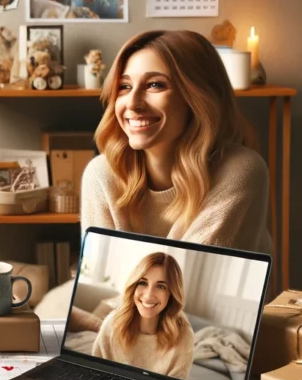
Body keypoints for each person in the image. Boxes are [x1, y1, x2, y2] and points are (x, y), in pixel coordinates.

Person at [81, 30, 273, 254]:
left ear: (198, 97)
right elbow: (99, 281)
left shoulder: (242, 169)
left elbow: (185, 278)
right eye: (124, 87)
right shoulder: (102, 173)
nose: (132, 104)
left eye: (155, 85)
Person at [92, 252, 194, 379]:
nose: (148, 295)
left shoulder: (184, 336)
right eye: (143, 283)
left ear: (171, 294)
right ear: (134, 286)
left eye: (161, 286)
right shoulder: (112, 323)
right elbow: (94, 373)